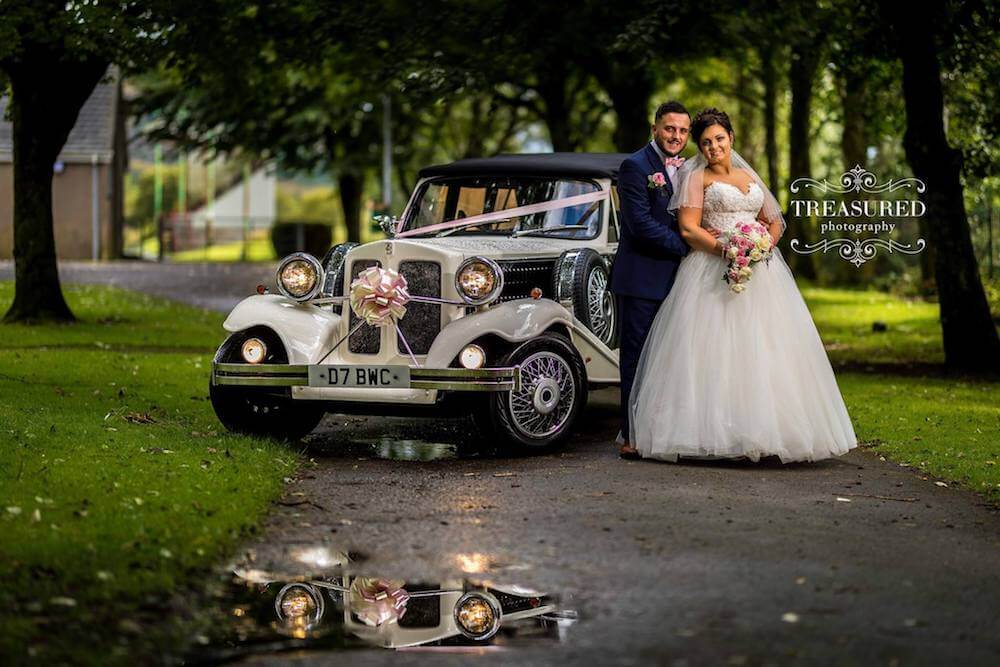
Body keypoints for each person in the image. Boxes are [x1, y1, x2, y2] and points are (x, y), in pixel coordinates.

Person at [627, 107, 858, 463]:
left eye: (719, 139)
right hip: (711, 269)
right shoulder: (696, 178)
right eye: (705, 142)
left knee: (767, 350)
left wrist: (761, 243)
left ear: (731, 138)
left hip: (761, 272)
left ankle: (771, 432)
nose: (713, 147)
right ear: (700, 148)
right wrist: (728, 249)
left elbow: (773, 219)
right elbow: (689, 229)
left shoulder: (749, 175)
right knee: (712, 350)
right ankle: (712, 433)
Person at [610, 101, 721, 459]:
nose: (676, 136)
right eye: (670, 129)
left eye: (683, 131)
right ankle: (631, 435)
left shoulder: (692, 168)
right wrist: (688, 246)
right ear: (655, 128)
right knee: (637, 357)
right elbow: (639, 225)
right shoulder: (635, 166)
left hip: (682, 282)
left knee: (672, 358)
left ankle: (666, 432)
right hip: (642, 278)